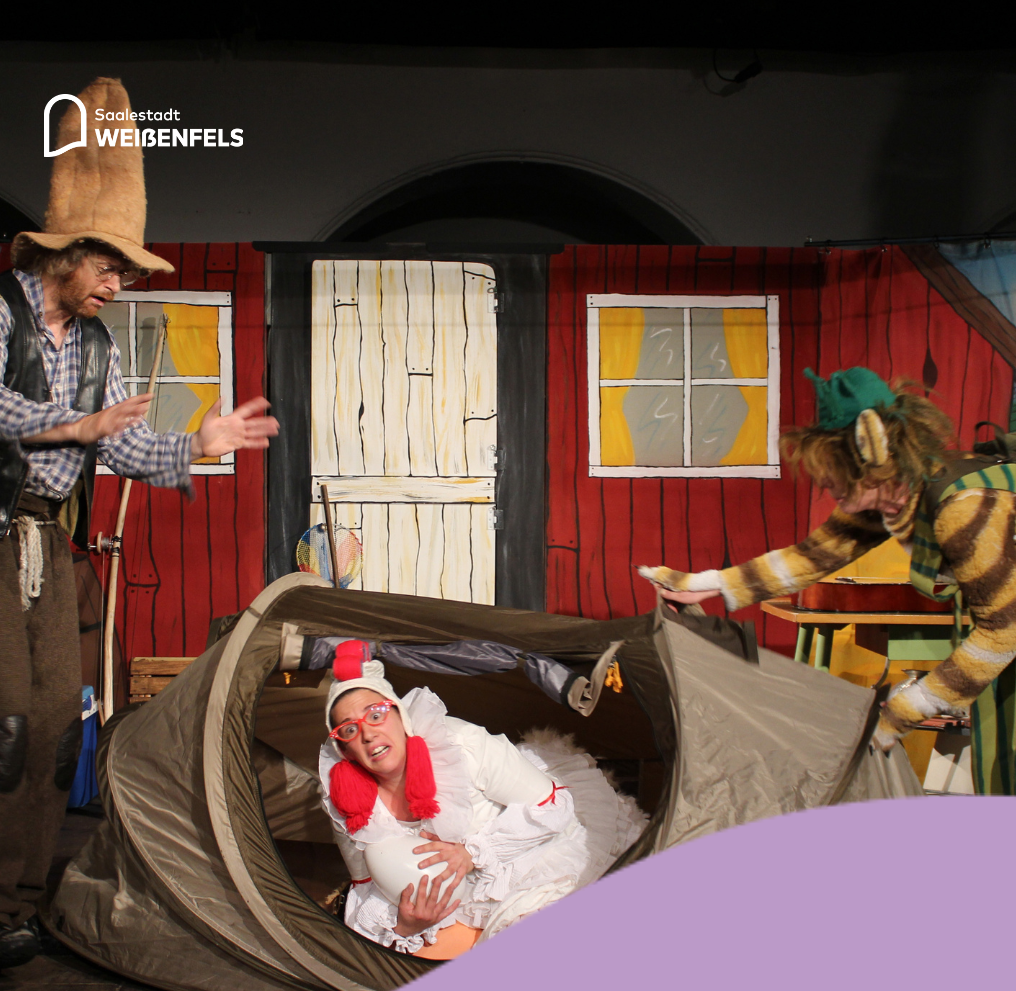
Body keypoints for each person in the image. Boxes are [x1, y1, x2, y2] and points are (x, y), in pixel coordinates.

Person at [0, 77, 279, 980]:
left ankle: (19, 900)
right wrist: (74, 425)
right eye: (111, 268)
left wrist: (195, 445)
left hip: (46, 541)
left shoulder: (96, 343)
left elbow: (120, 445)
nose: (120, 284)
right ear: (68, 253)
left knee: (56, 724)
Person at [639, 367, 1016, 761]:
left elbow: (1003, 633)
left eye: (832, 470)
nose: (825, 484)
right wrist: (705, 584)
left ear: (872, 455)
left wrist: (904, 712)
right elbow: (811, 557)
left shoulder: (963, 508)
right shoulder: (893, 494)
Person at [318, 642, 646, 958]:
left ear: (399, 715)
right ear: (344, 750)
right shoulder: (345, 799)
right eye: (349, 729)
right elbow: (366, 885)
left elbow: (554, 806)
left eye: (376, 714)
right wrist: (405, 927)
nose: (368, 733)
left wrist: (472, 853)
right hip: (456, 898)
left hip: (528, 856)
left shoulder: (459, 745)